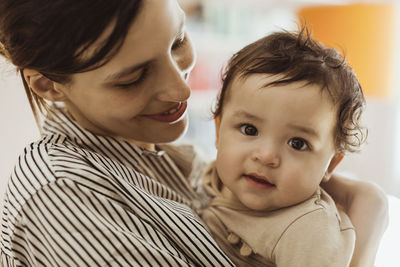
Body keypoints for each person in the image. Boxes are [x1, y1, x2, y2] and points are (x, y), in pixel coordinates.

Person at [0, 0, 387, 266]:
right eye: (133, 78)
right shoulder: (65, 195)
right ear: (49, 86)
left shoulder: (176, 160)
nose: (181, 89)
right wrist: (368, 225)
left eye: (178, 41)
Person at [201, 28, 367, 266]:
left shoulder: (307, 229)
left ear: (330, 163)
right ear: (218, 131)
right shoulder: (206, 173)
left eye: (297, 144)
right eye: (249, 129)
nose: (266, 156)